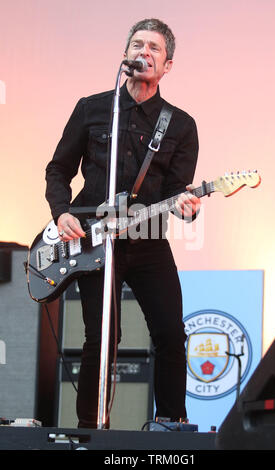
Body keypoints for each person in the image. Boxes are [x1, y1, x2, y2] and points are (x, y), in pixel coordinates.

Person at [45, 18, 200, 429]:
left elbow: (176, 190)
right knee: (102, 339)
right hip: (93, 241)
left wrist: (188, 207)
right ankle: (91, 429)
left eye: (153, 48)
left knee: (169, 332)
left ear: (167, 65)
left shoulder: (180, 125)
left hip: (147, 240)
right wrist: (61, 212)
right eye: (137, 44)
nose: (143, 53)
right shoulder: (92, 109)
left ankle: (170, 421)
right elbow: (57, 170)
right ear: (125, 55)